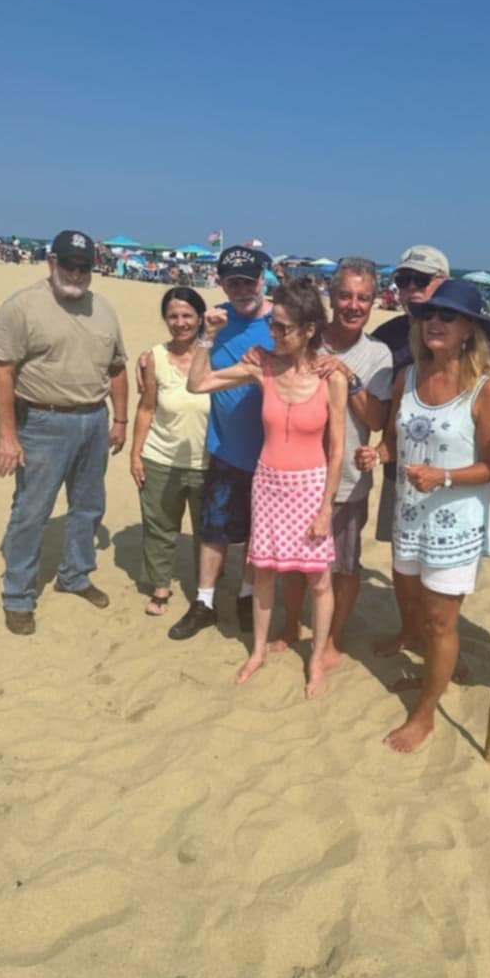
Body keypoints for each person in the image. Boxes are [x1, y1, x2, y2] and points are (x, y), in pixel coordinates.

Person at [356, 280, 490, 752]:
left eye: (447, 316)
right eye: (427, 317)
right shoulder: (409, 376)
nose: (434, 324)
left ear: (469, 329)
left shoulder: (488, 388)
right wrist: (378, 453)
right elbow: (398, 441)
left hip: (454, 524)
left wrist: (441, 477)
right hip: (408, 515)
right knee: (413, 603)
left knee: (442, 623)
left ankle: (425, 715)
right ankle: (430, 674)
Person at [371, 245, 490, 659]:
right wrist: (375, 451)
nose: (412, 290)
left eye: (421, 281)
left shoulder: (488, 378)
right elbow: (386, 427)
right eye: (403, 280)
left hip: (454, 501)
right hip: (405, 488)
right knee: (406, 574)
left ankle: (438, 664)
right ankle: (412, 638)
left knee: (442, 611)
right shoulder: (392, 336)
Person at [187, 277, 347, 696]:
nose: (273, 334)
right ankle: (257, 650)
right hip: (269, 484)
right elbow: (198, 384)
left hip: (311, 487)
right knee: (263, 574)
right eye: (272, 325)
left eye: (282, 328)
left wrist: (326, 507)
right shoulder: (264, 366)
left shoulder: (332, 377)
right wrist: (207, 337)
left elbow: (337, 448)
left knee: (319, 580)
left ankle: (316, 661)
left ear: (309, 329)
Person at [0, 230, 128, 636]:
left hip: (94, 421)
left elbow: (116, 367)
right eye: (69, 264)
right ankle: (17, 595)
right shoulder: (22, 306)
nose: (77, 273)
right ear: (51, 262)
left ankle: (75, 575)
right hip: (42, 422)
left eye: (85, 267)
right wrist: (8, 437)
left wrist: (119, 419)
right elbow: (1, 371)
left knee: (88, 506)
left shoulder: (104, 309)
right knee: (31, 511)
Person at [269, 257, 393, 669]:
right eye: (345, 295)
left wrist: (347, 375)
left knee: (342, 565)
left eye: (363, 298)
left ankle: (333, 636)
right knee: (293, 562)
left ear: (374, 302)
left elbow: (376, 420)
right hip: (292, 473)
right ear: (331, 296)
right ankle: (291, 625)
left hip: (346, 480)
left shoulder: (377, 354)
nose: (353, 305)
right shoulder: (307, 335)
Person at [165, 245, 274, 641]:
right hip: (226, 448)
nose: (243, 288)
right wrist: (207, 335)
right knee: (213, 531)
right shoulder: (216, 319)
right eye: (233, 282)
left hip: (270, 451)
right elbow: (196, 379)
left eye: (249, 280)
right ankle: (205, 602)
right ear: (222, 284)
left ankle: (246, 595)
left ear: (263, 278)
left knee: (257, 534)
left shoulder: (282, 320)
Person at [130, 287, 209, 617]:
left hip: (208, 461)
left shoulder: (215, 356)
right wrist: (135, 454)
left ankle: (206, 592)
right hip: (161, 457)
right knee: (160, 525)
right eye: (173, 316)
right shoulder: (155, 358)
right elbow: (146, 408)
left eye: (187, 315)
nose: (180, 323)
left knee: (207, 531)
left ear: (200, 318)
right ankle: (161, 586)